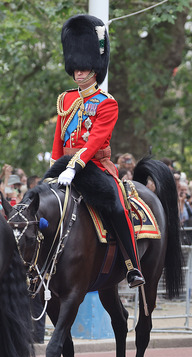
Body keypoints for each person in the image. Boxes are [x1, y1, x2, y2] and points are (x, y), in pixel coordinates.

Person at [51, 14, 143, 287]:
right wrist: (57, 165)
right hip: (65, 164)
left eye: (85, 69)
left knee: (116, 206)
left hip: (93, 165)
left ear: (95, 69)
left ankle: (132, 265)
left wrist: (74, 166)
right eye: (76, 69)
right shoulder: (65, 98)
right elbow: (59, 138)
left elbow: (94, 142)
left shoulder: (106, 103)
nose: (79, 73)